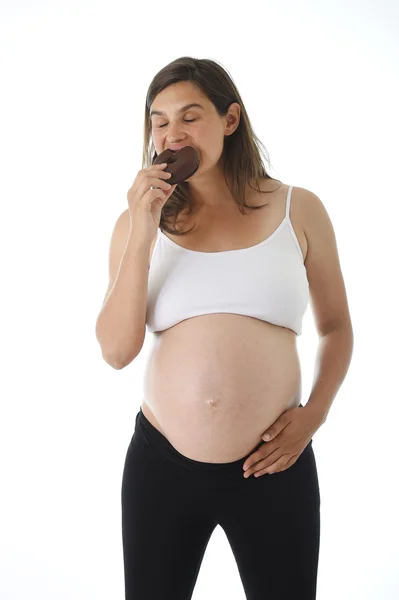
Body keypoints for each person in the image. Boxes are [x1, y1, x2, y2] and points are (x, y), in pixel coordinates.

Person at [95, 57, 354, 600]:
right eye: (159, 121)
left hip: (272, 465)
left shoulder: (297, 210)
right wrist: (144, 229)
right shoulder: (136, 224)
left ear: (230, 120)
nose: (172, 134)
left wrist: (315, 415)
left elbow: (335, 328)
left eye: (190, 117)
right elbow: (117, 352)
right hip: (161, 465)